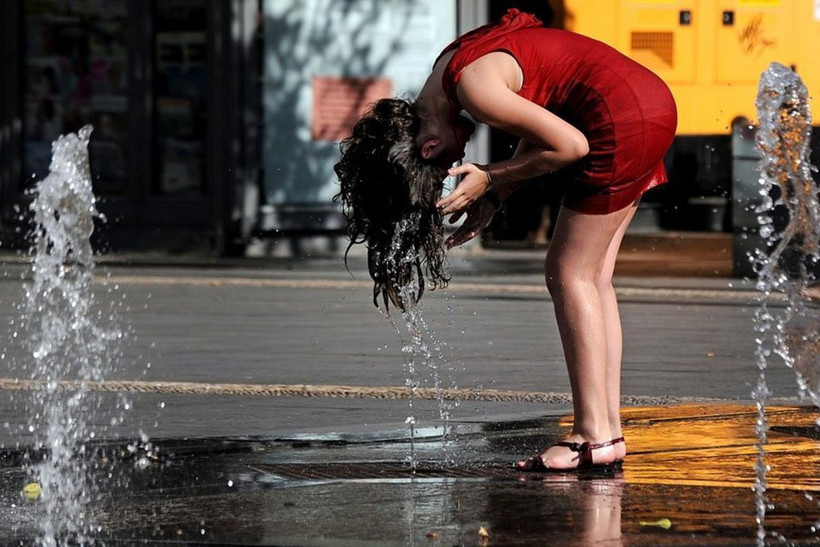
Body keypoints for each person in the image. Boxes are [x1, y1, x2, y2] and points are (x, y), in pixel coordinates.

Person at [334, 9, 677, 471]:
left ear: (429, 149)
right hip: (647, 100)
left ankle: (590, 435)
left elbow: (569, 146)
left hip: (619, 118)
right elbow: (541, 125)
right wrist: (493, 198)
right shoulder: (450, 69)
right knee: (593, 278)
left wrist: (490, 178)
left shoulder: (473, 92)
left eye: (443, 170)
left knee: (568, 273)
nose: (458, 163)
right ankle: (607, 432)